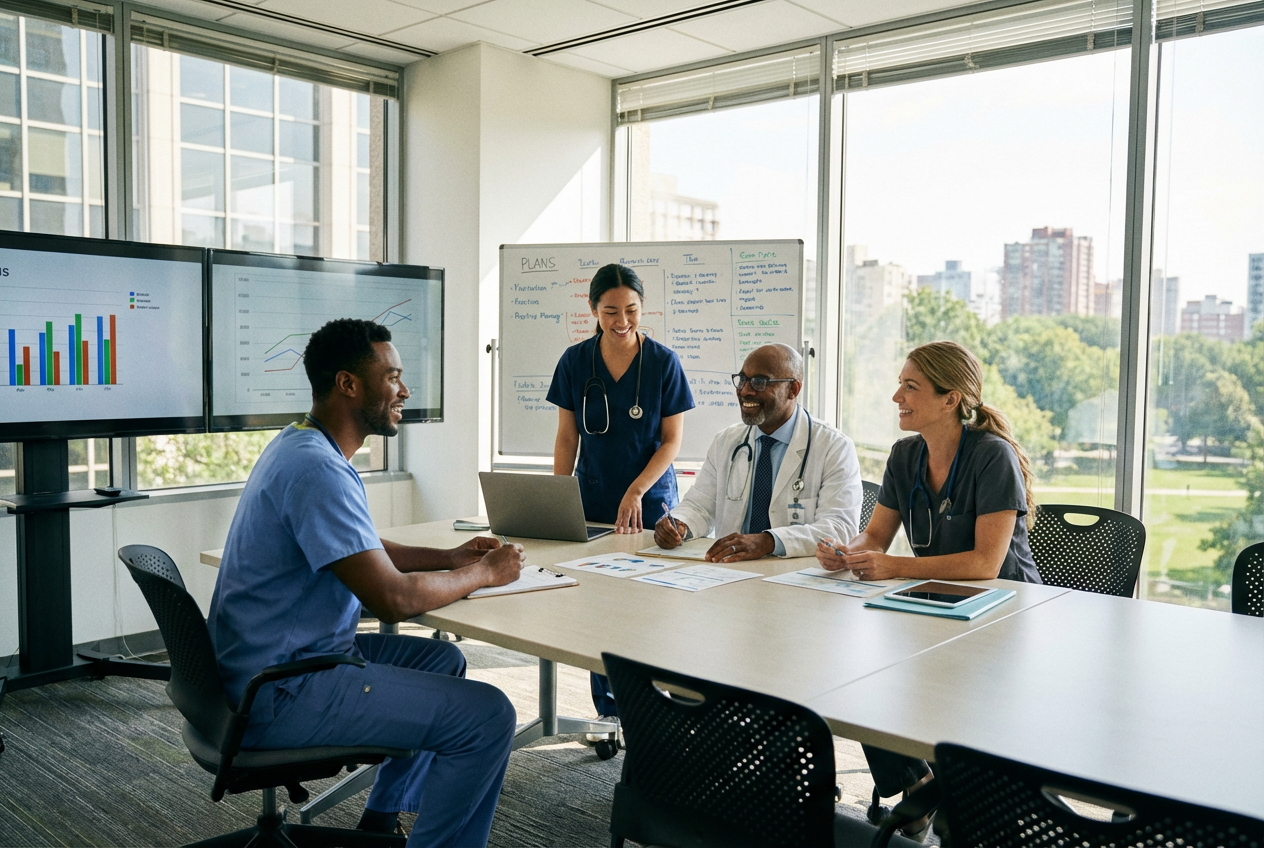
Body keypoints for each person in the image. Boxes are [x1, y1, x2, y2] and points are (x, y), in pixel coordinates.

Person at [207, 318, 524, 848]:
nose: (404, 389)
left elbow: (361, 548)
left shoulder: (301, 443)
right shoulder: (318, 471)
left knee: (443, 660)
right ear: (348, 384)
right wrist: (483, 573)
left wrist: (447, 557)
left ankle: (381, 816)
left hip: (265, 666)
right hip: (281, 690)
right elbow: (393, 600)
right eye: (393, 376)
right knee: (489, 716)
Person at [814, 339, 1041, 840]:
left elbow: (987, 563)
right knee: (860, 676)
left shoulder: (991, 456)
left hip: (1005, 613)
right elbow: (876, 536)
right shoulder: (905, 455)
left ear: (950, 398)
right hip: (937, 602)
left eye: (911, 386)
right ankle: (919, 785)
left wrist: (893, 567)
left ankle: (957, 804)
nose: (897, 396)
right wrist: (845, 552)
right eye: (899, 384)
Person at [547, 263, 695, 723]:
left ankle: (656, 712)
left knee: (648, 609)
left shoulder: (663, 362)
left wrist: (635, 491)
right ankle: (609, 712)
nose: (622, 321)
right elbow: (567, 437)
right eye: (611, 311)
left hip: (649, 505)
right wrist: (558, 497)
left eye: (631, 309)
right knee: (600, 610)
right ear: (593, 309)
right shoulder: (575, 361)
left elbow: (671, 441)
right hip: (592, 501)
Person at [653, 343, 862, 561]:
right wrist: (678, 523)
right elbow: (700, 505)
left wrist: (768, 541)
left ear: (793, 389)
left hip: (795, 574)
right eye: (742, 379)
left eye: (760, 382)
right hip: (730, 572)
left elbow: (840, 527)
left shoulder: (833, 447)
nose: (745, 390)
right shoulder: (726, 441)